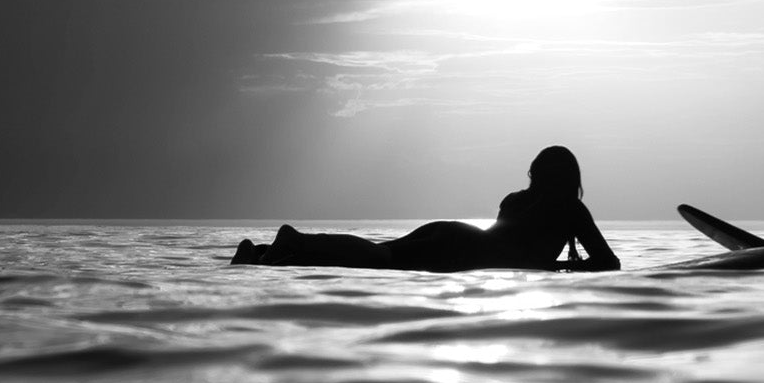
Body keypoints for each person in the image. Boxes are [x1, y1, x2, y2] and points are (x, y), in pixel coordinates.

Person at [232, 145, 621, 273]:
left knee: (379, 253)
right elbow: (609, 263)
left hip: (454, 233)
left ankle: (267, 254)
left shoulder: (516, 200)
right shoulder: (570, 209)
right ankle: (297, 241)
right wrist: (560, 268)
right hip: (463, 249)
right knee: (380, 259)